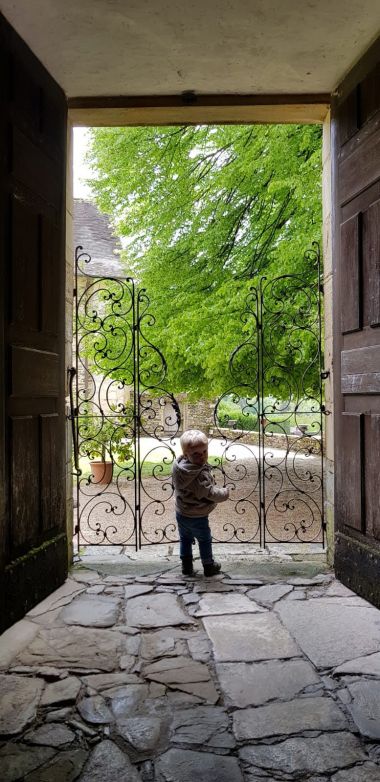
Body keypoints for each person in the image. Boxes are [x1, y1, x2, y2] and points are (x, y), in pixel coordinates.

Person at [172, 429, 229, 577]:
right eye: (196, 454)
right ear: (186, 455)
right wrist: (224, 493)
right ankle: (208, 565)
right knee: (204, 539)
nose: (202, 456)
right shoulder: (197, 476)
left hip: (181, 512)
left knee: (185, 539)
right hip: (197, 515)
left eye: (204, 451)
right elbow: (209, 493)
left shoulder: (180, 468)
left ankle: (186, 566)